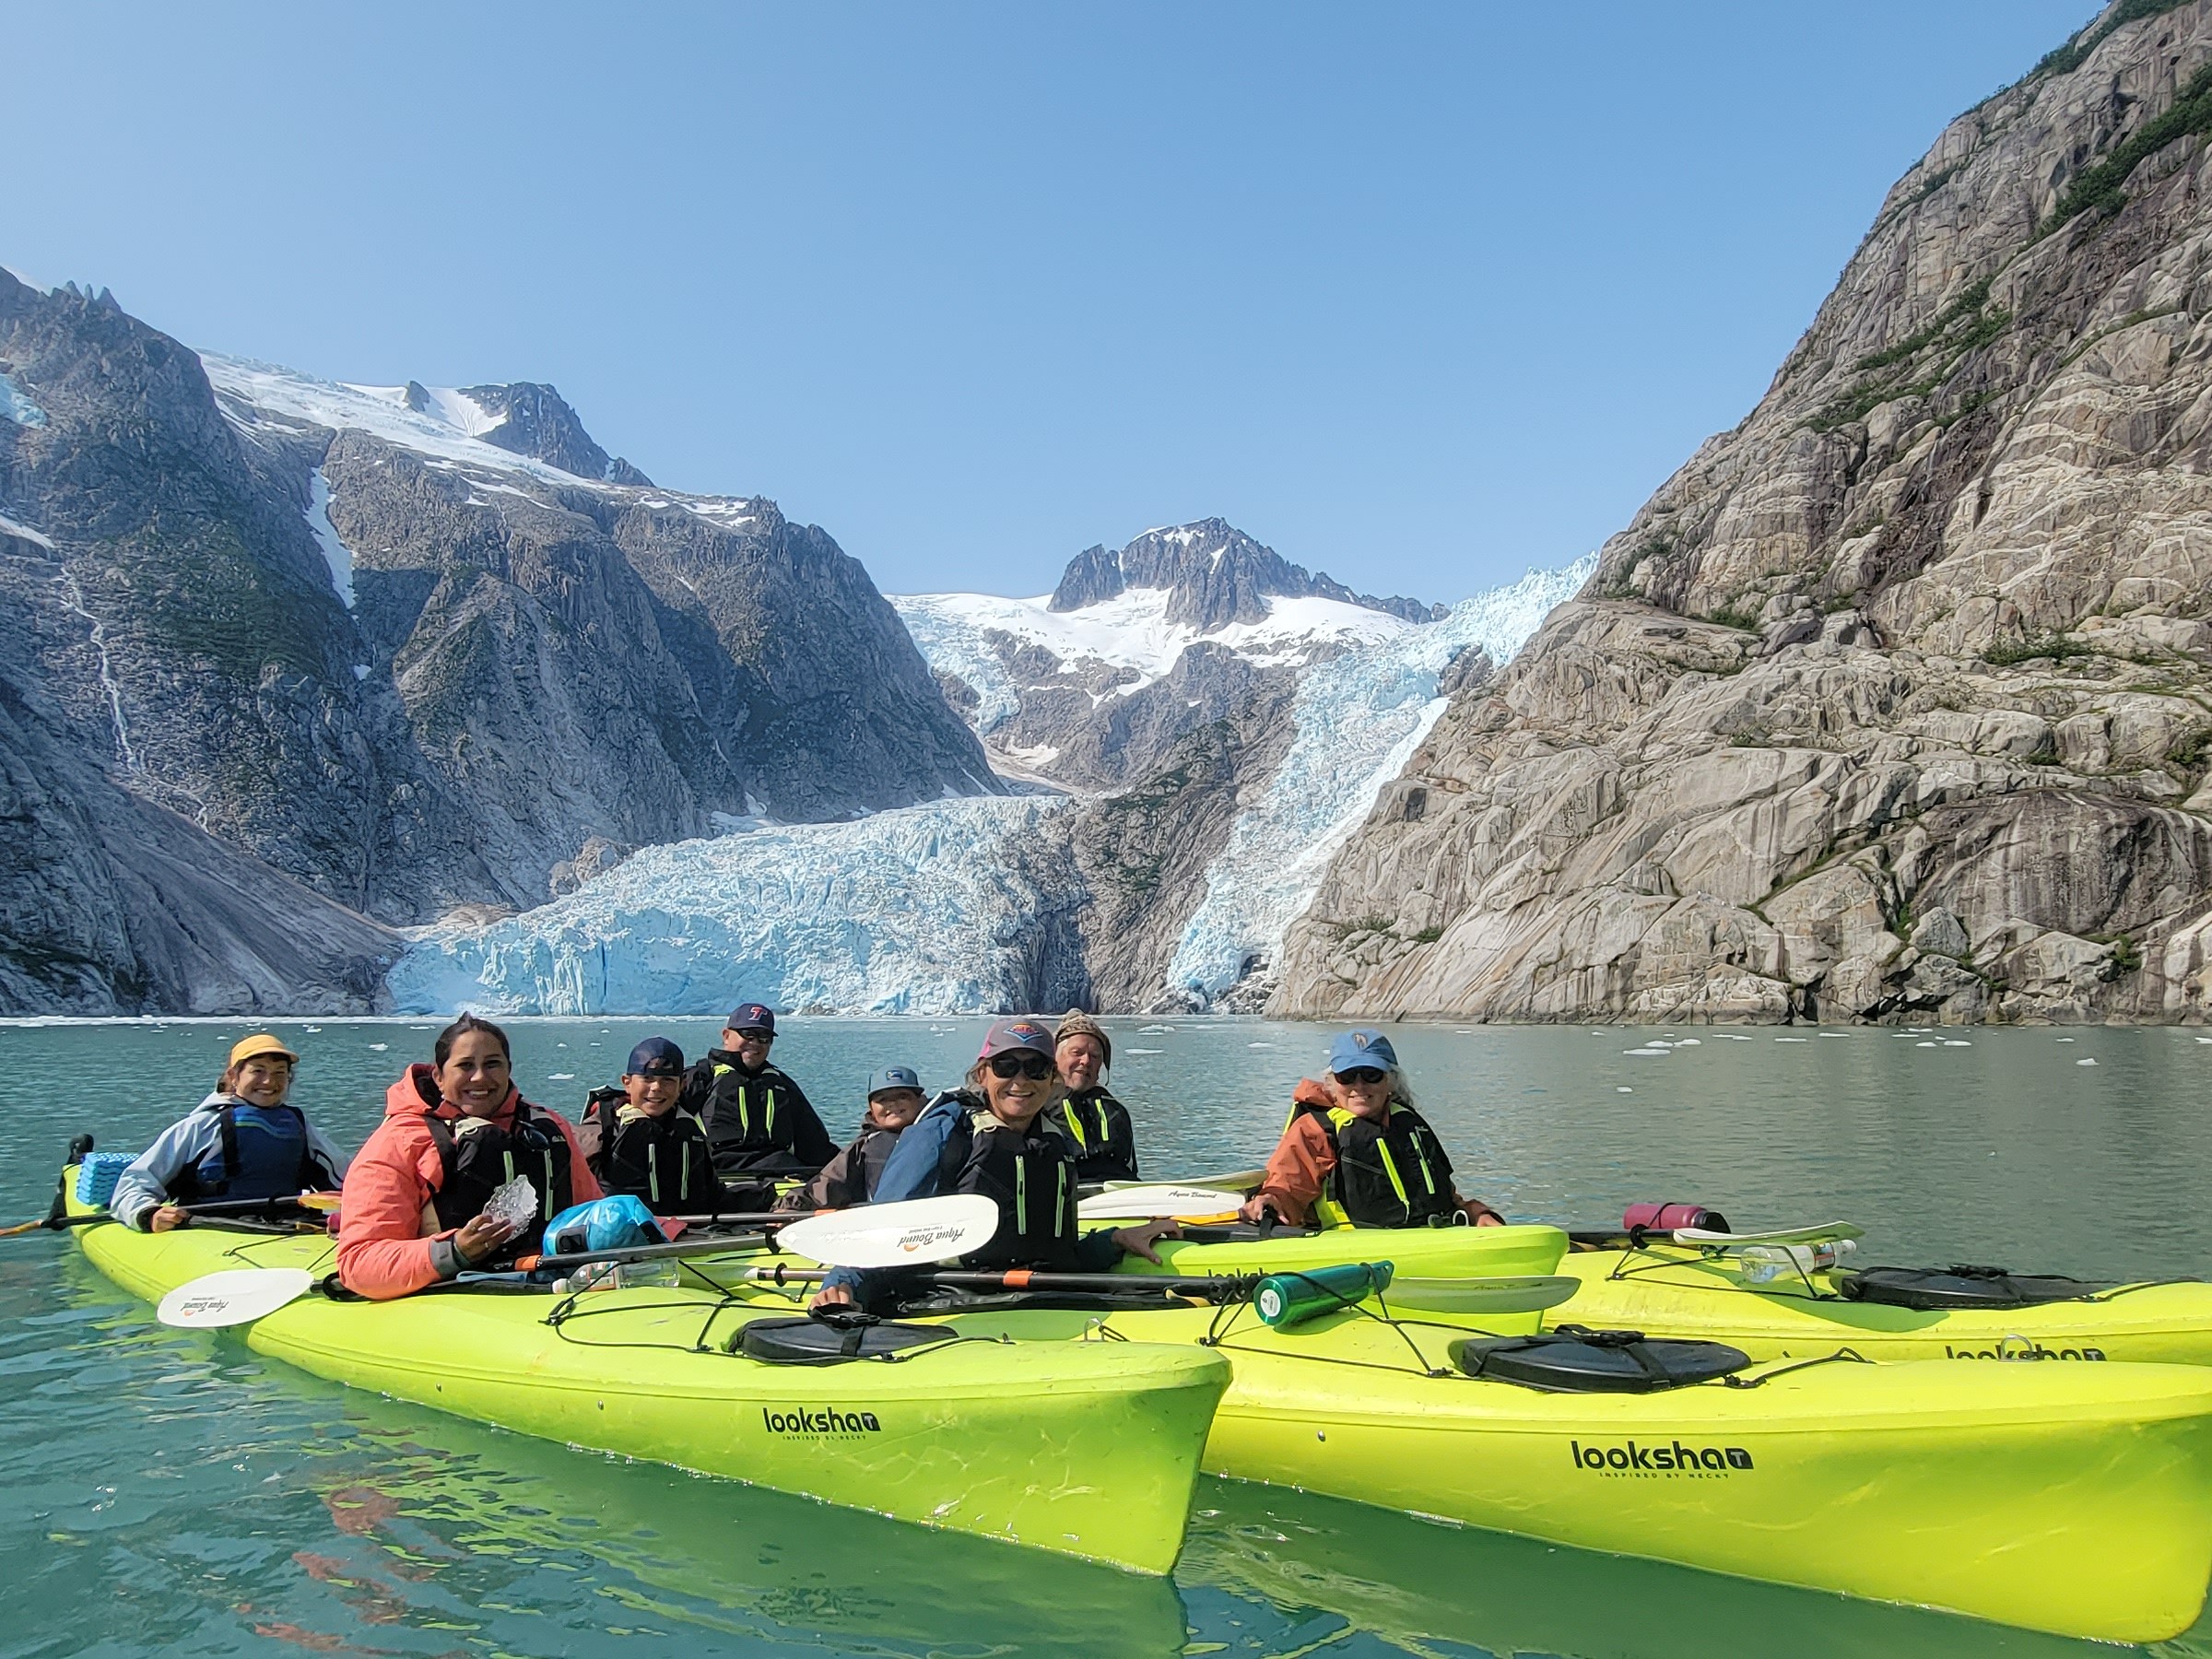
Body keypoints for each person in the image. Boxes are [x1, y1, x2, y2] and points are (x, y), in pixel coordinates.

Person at [810, 1019, 1174, 1312]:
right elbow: (886, 1224)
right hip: (955, 1298)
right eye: (1006, 1066)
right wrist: (843, 1283)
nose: (1020, 1081)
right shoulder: (945, 1133)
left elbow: (1058, 1250)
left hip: (1040, 1296)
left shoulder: (1053, 1143)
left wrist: (1112, 1241)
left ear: (1052, 1079)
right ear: (983, 1073)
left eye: (1034, 1068)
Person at [335, 1013, 602, 1300]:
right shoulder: (399, 1141)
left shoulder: (549, 1126)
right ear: (438, 1076)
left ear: (508, 1069)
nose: (480, 1077)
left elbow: (595, 1211)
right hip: (450, 1294)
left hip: (551, 1283)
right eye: (465, 1066)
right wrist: (454, 1250)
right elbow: (359, 1262)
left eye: (492, 1064)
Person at [1240, 1030, 1504, 1230]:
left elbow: (1443, 1197)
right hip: (1354, 1255)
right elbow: (1286, 1185)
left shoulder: (1408, 1124)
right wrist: (1270, 1200)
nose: (1359, 1086)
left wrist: (1475, 1213)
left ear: (1390, 1080)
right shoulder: (1316, 1130)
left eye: (1371, 1074)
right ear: (1332, 1082)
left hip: (1426, 1243)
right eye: (1347, 1077)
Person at [112, 1034, 347, 1231]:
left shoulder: (299, 1125)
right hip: (210, 1224)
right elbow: (135, 1183)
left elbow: (348, 1180)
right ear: (234, 1077)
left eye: (279, 1073)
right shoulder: (201, 1125)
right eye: (258, 1071)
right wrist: (148, 1214)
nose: (269, 1081)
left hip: (288, 1223)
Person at [583, 1038, 779, 1218]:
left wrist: (776, 1200)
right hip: (622, 1238)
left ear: (681, 1085)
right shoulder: (602, 1128)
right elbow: (576, 1191)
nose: (657, 1087)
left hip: (689, 1232)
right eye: (648, 1078)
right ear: (627, 1083)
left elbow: (714, 1196)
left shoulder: (688, 1129)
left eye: (668, 1080)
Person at [680, 1003, 838, 1176]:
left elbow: (817, 1146)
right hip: (718, 1181)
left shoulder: (782, 1086)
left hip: (780, 1180)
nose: (755, 1043)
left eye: (764, 1037)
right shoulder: (699, 1079)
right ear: (726, 1036)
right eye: (748, 1035)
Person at [775, 1065, 925, 1212]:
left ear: (920, 1100)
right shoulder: (865, 1146)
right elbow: (829, 1184)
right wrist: (790, 1207)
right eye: (882, 1099)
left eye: (903, 1096)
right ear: (871, 1109)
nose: (892, 1103)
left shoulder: (940, 1132)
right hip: (888, 1222)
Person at [1042, 1010, 1139, 1182]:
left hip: (1115, 1197)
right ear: (1055, 1058)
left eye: (1094, 1056)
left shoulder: (1116, 1111)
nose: (1086, 1061)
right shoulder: (1035, 1105)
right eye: (1076, 1052)